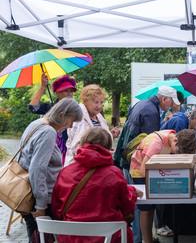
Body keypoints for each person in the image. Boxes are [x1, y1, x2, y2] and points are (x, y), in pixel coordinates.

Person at [113, 85, 180, 243]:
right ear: (164, 99)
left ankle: (143, 238)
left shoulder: (142, 104)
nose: (171, 106)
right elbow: (151, 142)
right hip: (135, 164)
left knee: (140, 205)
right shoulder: (150, 111)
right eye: (170, 103)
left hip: (128, 158)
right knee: (141, 205)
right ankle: (138, 239)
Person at [52, 127, 142, 243]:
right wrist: (132, 192)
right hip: (108, 237)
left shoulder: (66, 172)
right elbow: (127, 206)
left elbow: (57, 209)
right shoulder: (114, 173)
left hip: (72, 237)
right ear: (109, 148)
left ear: (82, 144)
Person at [18, 98, 83, 242]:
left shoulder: (36, 124)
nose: (71, 126)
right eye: (71, 121)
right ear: (61, 115)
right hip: (40, 200)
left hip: (28, 194)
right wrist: (41, 205)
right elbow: (38, 169)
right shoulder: (48, 132)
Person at [128, 129, 196, 243]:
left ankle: (148, 238)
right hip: (140, 172)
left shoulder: (173, 138)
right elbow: (143, 171)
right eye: (179, 151)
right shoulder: (156, 144)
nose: (177, 154)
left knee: (152, 207)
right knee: (146, 209)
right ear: (175, 140)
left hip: (153, 171)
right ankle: (146, 240)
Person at [64, 84, 120, 167]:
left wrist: (109, 135)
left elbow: (96, 137)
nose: (99, 106)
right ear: (85, 101)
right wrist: (103, 150)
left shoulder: (98, 116)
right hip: (80, 167)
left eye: (101, 102)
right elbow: (77, 147)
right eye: (96, 102)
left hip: (96, 164)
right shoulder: (79, 118)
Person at [29, 73, 78, 164]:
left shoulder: (76, 109)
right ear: (57, 93)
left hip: (70, 148)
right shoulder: (50, 107)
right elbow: (33, 107)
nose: (69, 93)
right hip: (52, 147)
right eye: (65, 91)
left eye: (71, 91)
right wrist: (43, 87)